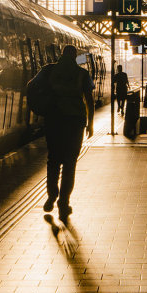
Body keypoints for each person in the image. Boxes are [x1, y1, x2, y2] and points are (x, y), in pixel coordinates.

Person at [33, 44, 94, 222]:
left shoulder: (48, 71)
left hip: (54, 120)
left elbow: (32, 86)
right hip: (75, 122)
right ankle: (64, 203)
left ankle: (52, 195)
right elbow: (89, 100)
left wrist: (40, 106)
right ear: (75, 56)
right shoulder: (82, 74)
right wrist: (90, 124)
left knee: (53, 160)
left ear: (61, 54)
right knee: (69, 163)